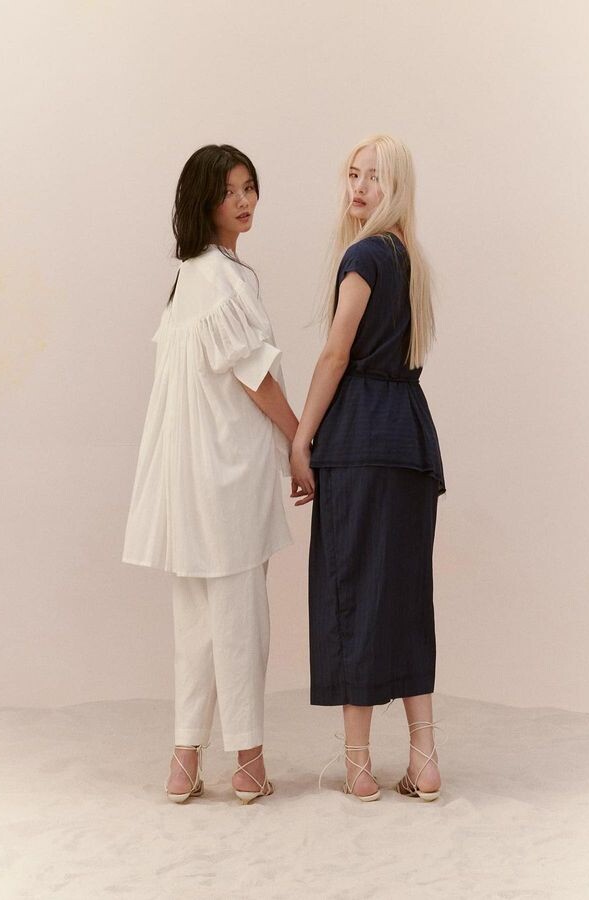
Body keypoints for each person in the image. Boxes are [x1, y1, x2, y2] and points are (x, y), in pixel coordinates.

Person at [123, 144, 298, 804]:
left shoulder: (187, 279)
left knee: (195, 620)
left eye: (249, 187)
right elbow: (255, 378)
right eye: (230, 192)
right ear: (206, 201)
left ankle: (184, 759)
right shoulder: (223, 278)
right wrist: (301, 441)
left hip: (186, 479)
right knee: (240, 618)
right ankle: (248, 763)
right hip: (227, 474)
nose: (244, 201)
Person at [290, 134, 446, 802]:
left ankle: (358, 768)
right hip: (411, 438)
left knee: (350, 588)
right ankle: (425, 761)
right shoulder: (413, 262)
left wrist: (301, 438)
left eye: (374, 177)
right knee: (407, 596)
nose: (358, 187)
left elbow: (335, 353)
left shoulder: (363, 255)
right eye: (353, 175)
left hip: (359, 437)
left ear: (397, 186)